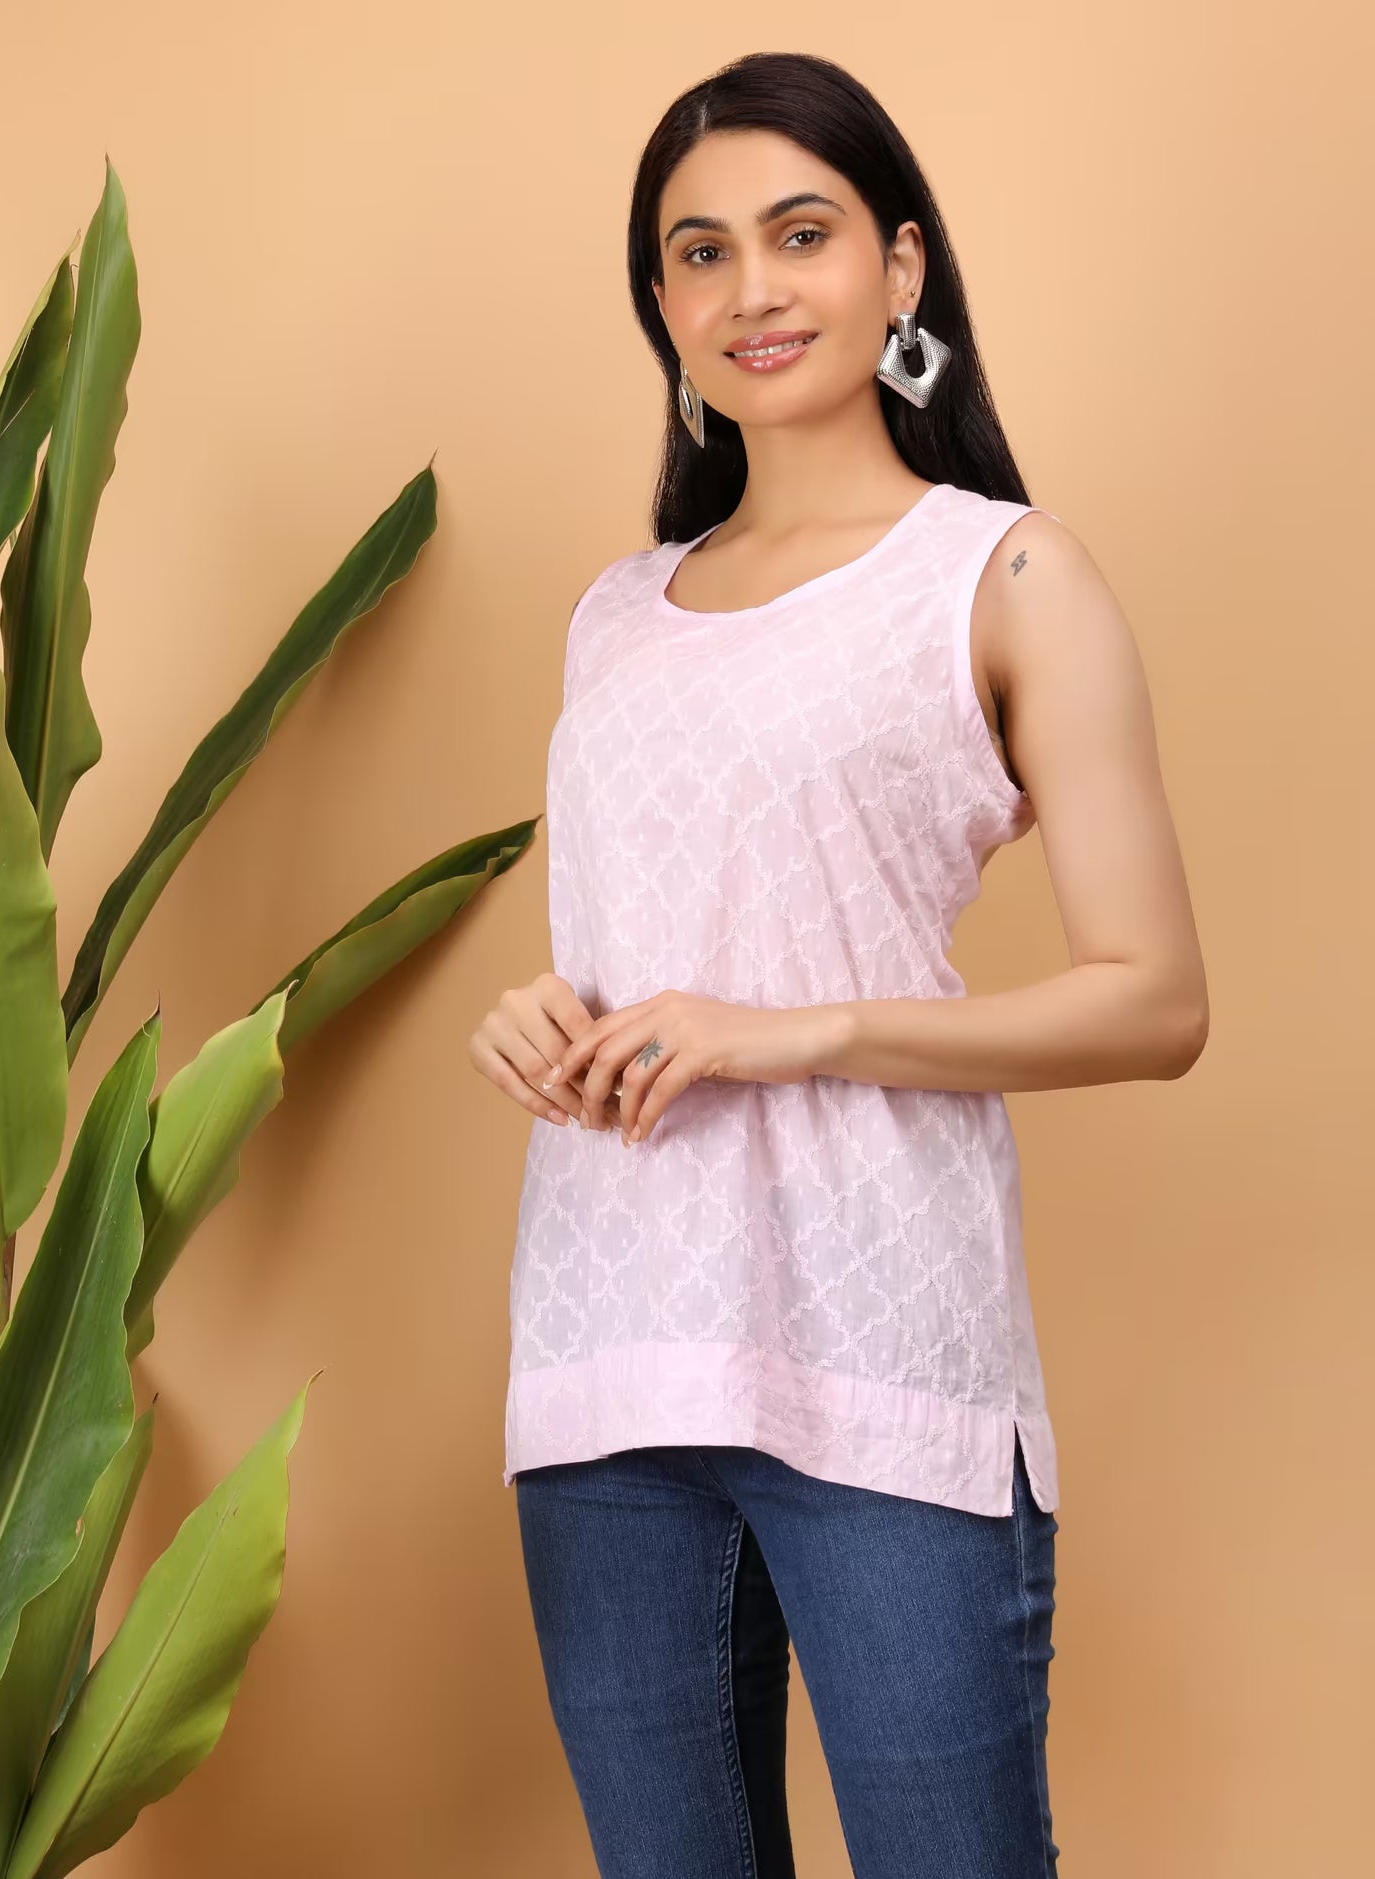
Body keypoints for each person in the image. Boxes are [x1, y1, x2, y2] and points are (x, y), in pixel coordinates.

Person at [467, 49, 1208, 1879]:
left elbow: (1154, 998)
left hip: (881, 1351)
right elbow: (652, 930)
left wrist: (789, 1034)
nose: (748, 290)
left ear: (898, 267)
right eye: (696, 253)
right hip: (607, 1343)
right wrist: (539, 1011)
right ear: (662, 306)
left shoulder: (1005, 577)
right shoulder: (617, 612)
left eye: (798, 235)